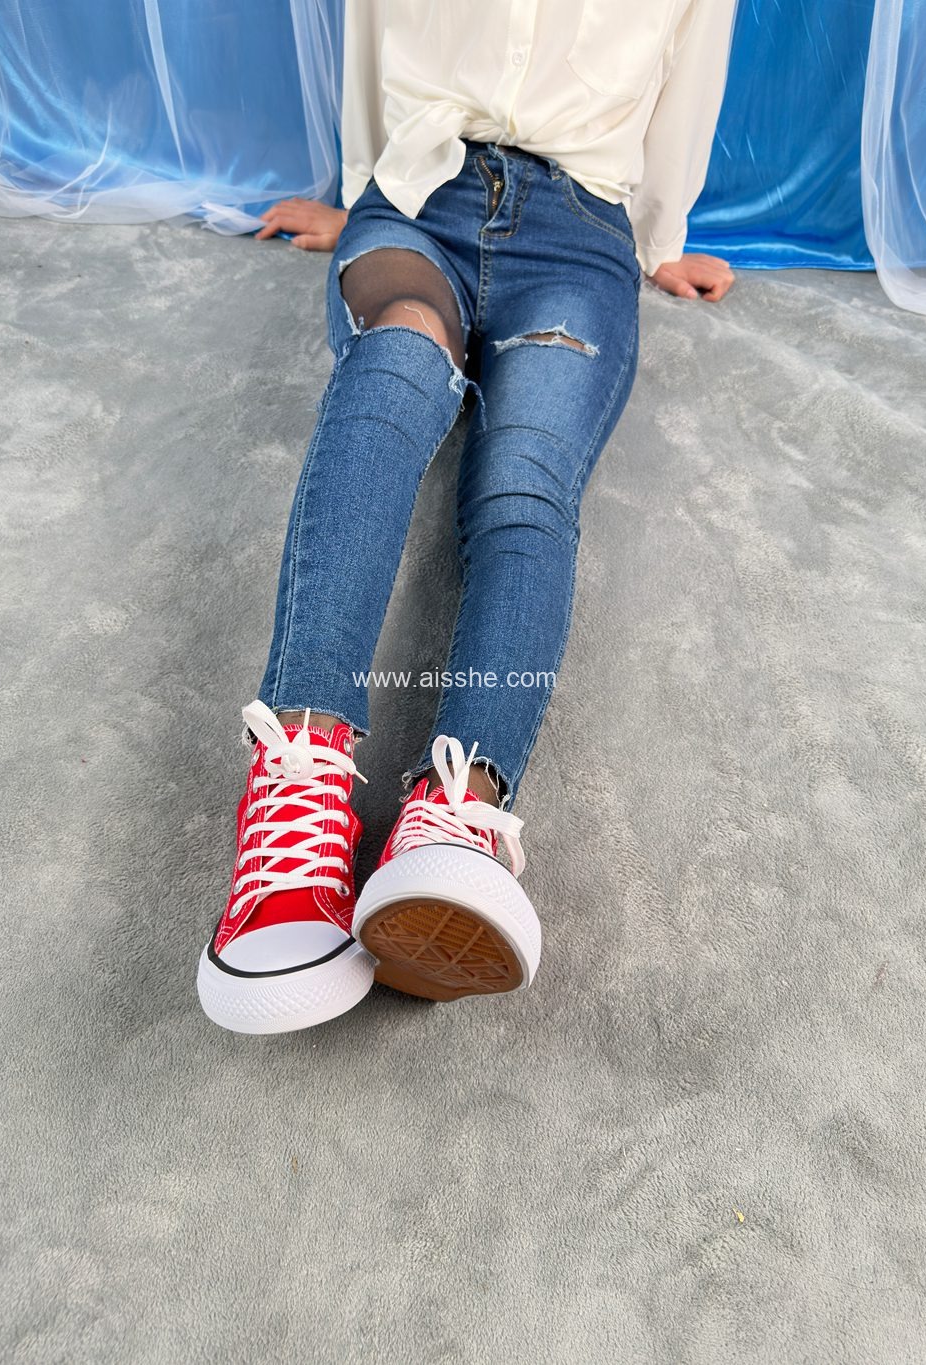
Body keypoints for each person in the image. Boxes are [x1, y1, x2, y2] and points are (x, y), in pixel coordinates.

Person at [196, 0, 738, 1034]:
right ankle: (298, 781)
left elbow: (689, 77)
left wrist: (658, 240)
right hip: (413, 201)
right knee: (395, 364)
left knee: (525, 478)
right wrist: (359, 194)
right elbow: (371, 33)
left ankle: (458, 815)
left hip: (582, 236)